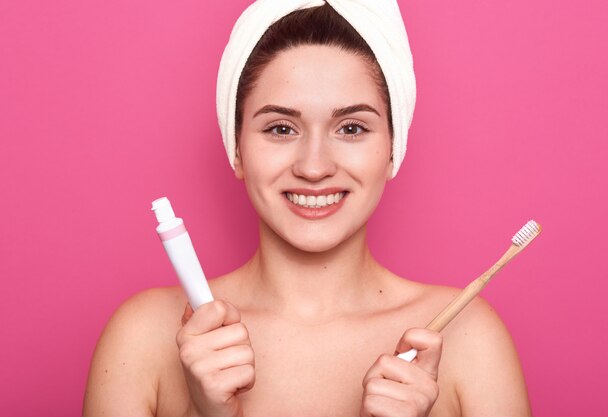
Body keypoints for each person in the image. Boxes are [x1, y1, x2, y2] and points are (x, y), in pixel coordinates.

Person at [83, 2, 532, 416]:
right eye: (281, 128)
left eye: (352, 127)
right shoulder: (144, 339)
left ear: (394, 149)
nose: (314, 167)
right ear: (235, 147)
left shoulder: (468, 340)